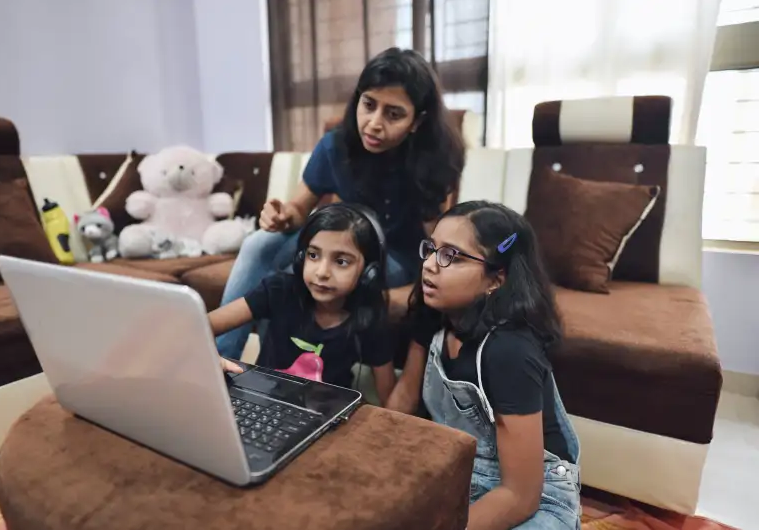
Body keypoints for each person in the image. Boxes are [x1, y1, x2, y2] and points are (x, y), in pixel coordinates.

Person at [215, 46, 465, 359]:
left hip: (393, 259)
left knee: (299, 281)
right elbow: (297, 210)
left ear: (417, 121)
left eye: (393, 114)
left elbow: (440, 243)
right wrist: (280, 217)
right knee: (259, 244)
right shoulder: (335, 145)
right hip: (339, 239)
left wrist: (419, 292)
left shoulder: (433, 161)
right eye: (369, 105)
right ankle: (220, 359)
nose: (374, 123)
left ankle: (276, 373)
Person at [386, 201, 581, 530]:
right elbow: (405, 398)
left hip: (538, 496)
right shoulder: (432, 316)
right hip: (459, 472)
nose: (431, 266)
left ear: (496, 279)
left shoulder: (509, 351)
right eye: (432, 249)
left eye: (452, 256)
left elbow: (520, 495)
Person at [213, 203, 397, 404]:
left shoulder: (368, 318)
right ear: (301, 258)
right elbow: (201, 324)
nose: (322, 272)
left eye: (341, 261)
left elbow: (388, 398)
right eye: (313, 255)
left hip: (323, 417)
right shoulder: (280, 290)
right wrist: (213, 359)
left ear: (368, 273)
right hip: (262, 404)